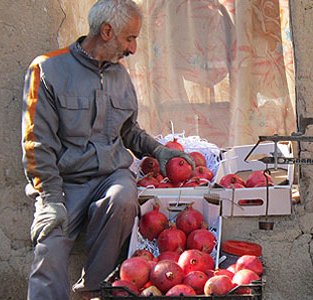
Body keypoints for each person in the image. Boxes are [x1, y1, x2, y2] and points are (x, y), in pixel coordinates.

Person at [20, 1, 194, 299]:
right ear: (107, 31)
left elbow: (128, 131)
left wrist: (159, 151)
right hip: (65, 182)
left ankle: (95, 290)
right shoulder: (48, 69)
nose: (133, 48)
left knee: (124, 197)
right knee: (49, 249)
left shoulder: (120, 76)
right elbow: (37, 142)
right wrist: (49, 199)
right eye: (130, 38)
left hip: (110, 177)